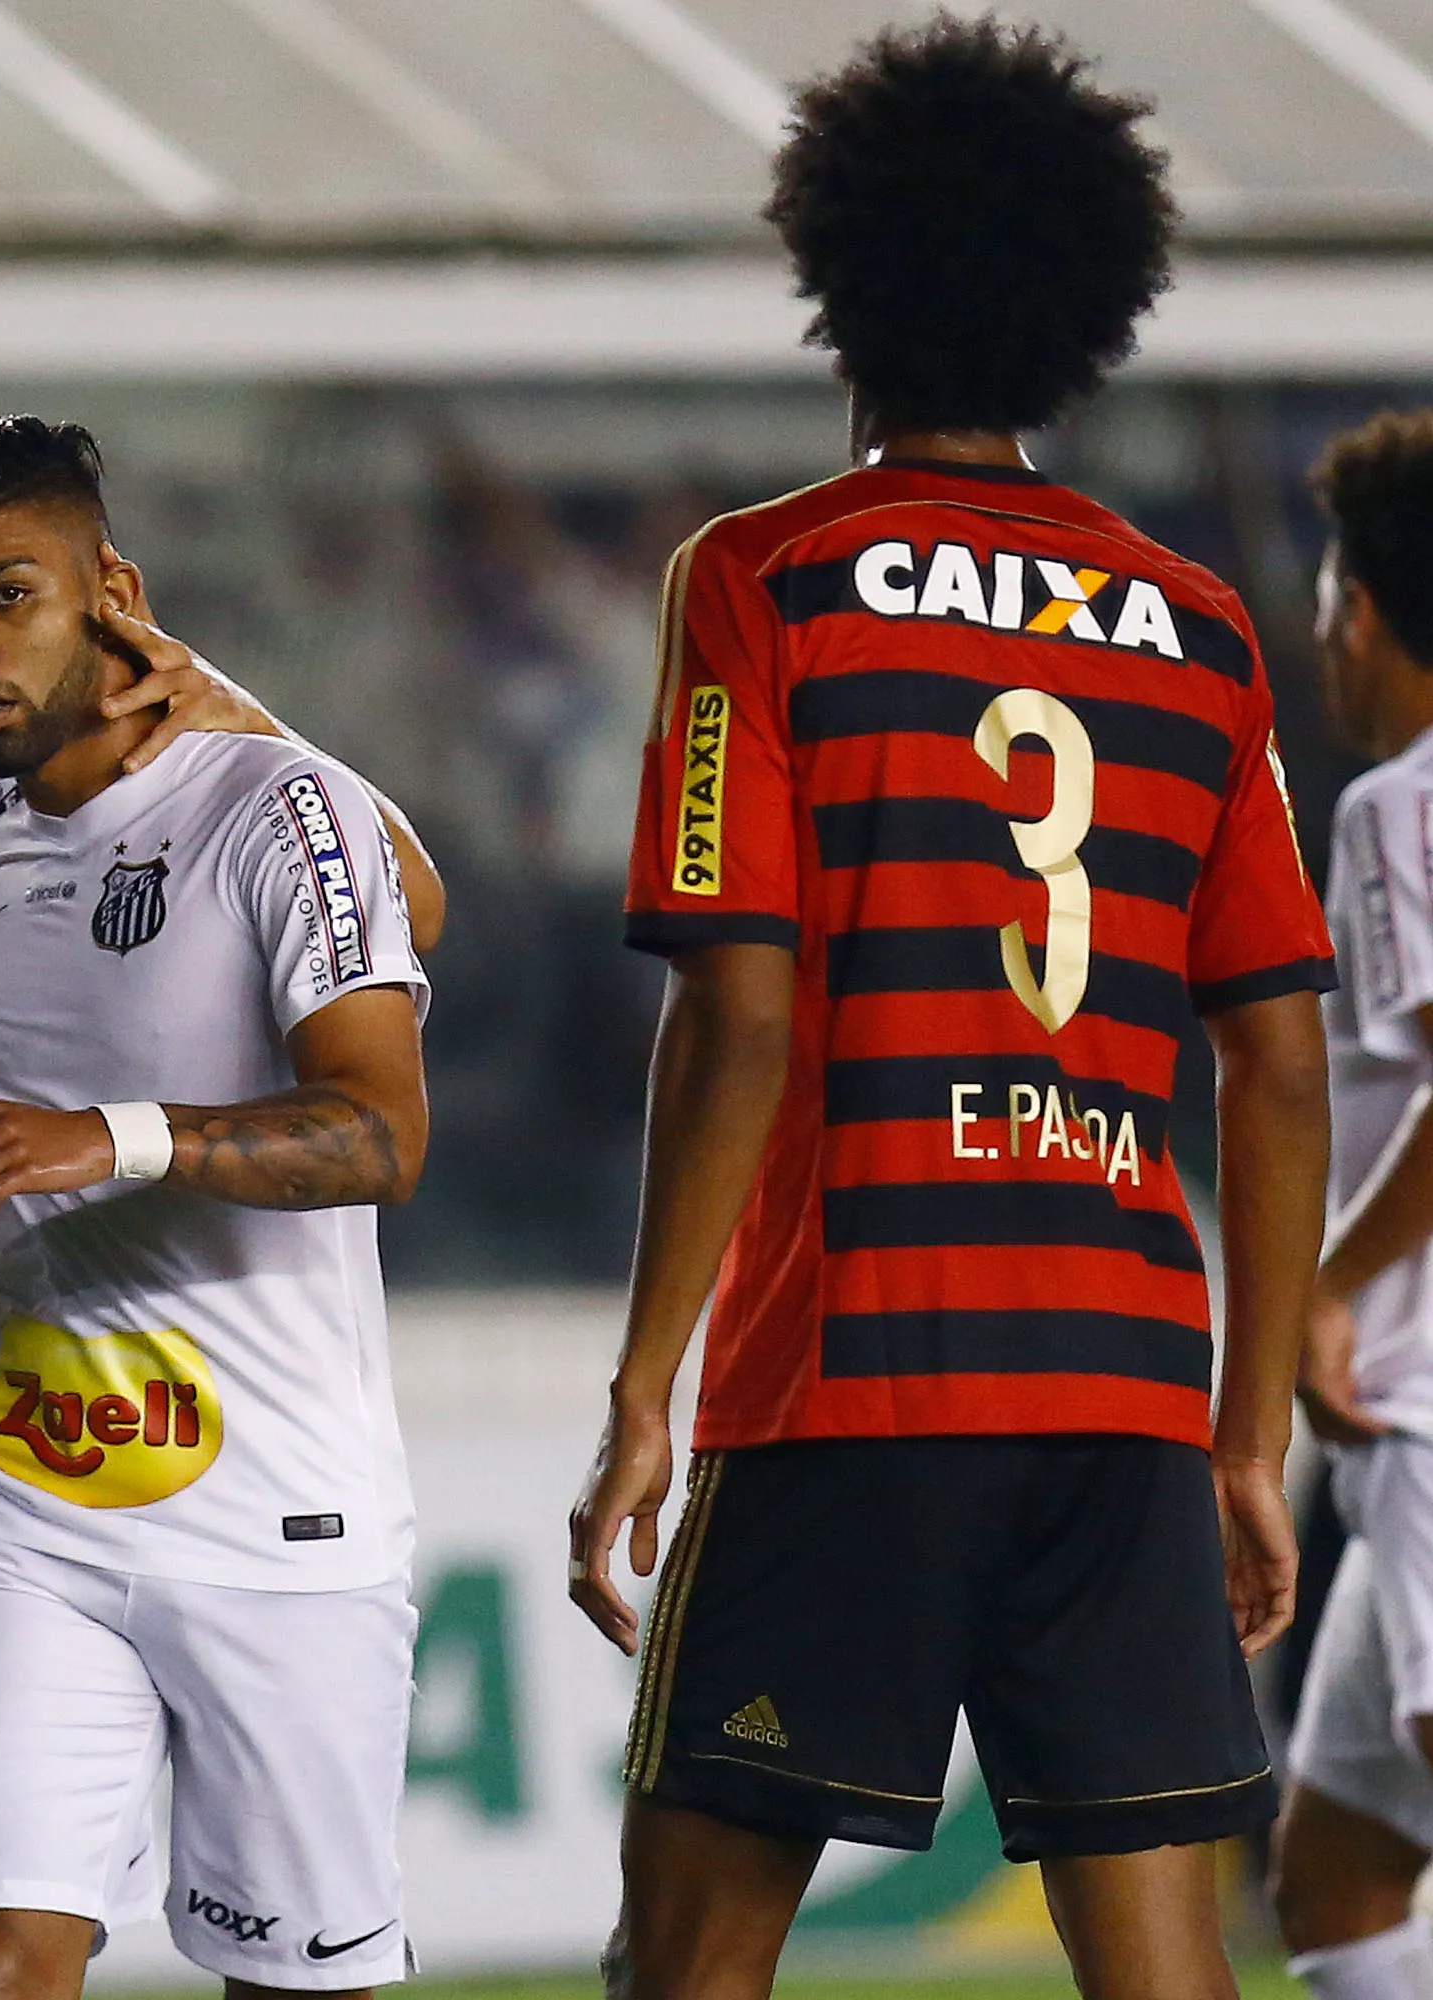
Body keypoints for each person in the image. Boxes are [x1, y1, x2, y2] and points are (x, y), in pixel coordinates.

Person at [564, 21, 1336, 2000]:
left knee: (688, 1964)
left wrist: (650, 1383)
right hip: (1125, 1391)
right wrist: (1243, 1440)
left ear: (844, 283)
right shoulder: (1202, 626)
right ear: (1092, 308)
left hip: (858, 1380)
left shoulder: (767, 583)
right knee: (1167, 1975)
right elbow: (1273, 1054)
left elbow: (740, 1018)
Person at [0, 415, 434, 2000]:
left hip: (282, 1530)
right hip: (28, 1509)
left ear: (111, 590)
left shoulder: (284, 808)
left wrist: (109, 1138)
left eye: (6, 597)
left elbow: (382, 1132)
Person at [1272, 409, 1433, 2000]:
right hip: (1405, 1436)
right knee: (1335, 1875)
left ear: (1366, 611)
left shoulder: (1399, 809)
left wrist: (1328, 1285)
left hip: (1432, 1395)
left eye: (1325, 604)